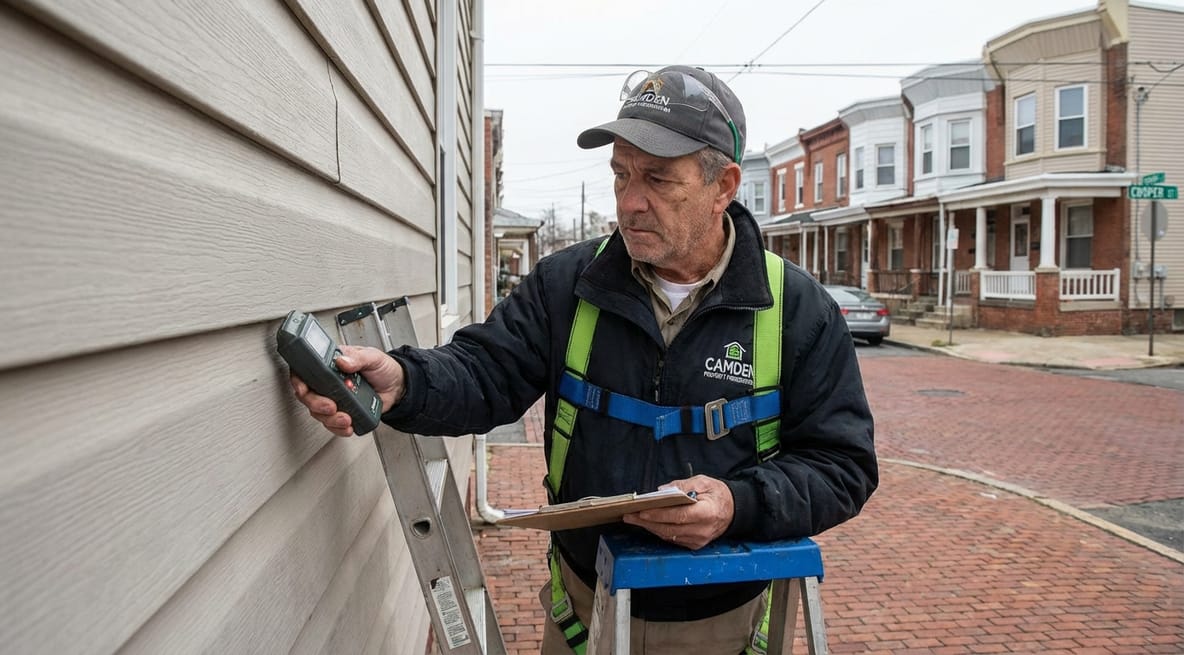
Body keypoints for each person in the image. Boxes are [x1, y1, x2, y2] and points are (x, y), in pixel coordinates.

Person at [291, 65, 877, 655]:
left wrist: (736, 504)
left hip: (722, 619)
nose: (630, 203)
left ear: (723, 186)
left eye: (658, 179)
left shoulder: (798, 310)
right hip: (583, 612)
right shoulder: (570, 283)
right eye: (620, 175)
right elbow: (483, 371)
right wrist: (405, 382)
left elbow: (842, 465)